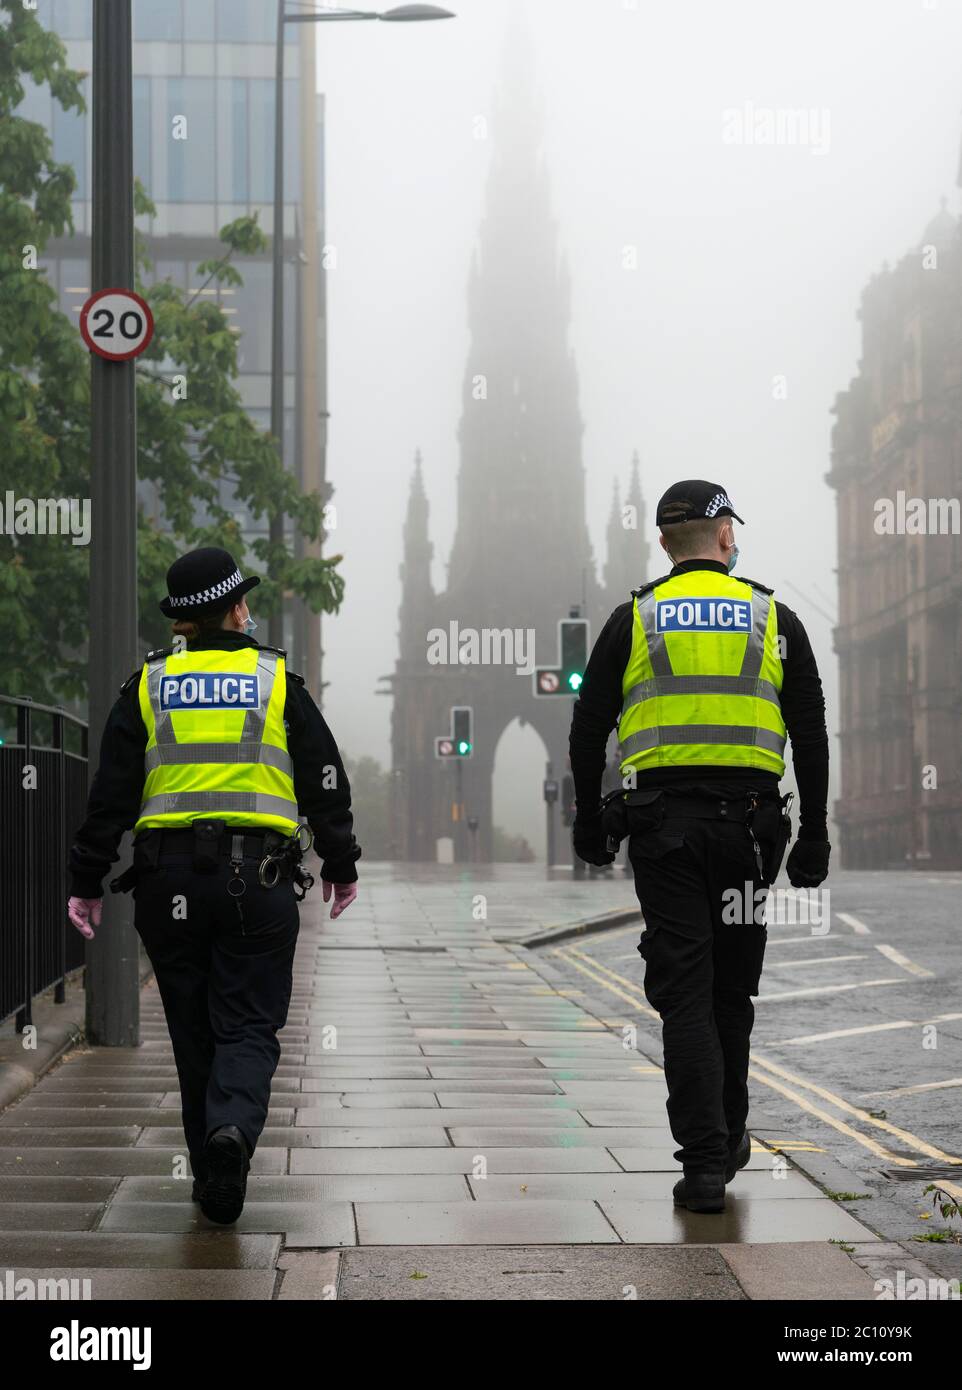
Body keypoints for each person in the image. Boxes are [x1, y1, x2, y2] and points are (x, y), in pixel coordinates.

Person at [66, 547, 360, 1225]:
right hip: (254, 882)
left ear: (184, 621)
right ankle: (231, 1135)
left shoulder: (148, 685)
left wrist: (86, 879)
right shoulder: (276, 680)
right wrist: (340, 863)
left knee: (194, 1031)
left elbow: (110, 796)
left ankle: (211, 1175)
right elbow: (323, 780)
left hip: (166, 884)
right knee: (249, 1025)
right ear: (235, 608)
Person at [569, 481, 830, 1213]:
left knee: (683, 994)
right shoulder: (773, 618)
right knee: (730, 992)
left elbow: (588, 727)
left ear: (663, 543)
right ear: (723, 537)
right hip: (750, 836)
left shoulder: (634, 619)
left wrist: (590, 820)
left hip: (664, 835)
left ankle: (706, 1162)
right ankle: (732, 1128)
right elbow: (808, 731)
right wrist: (815, 832)